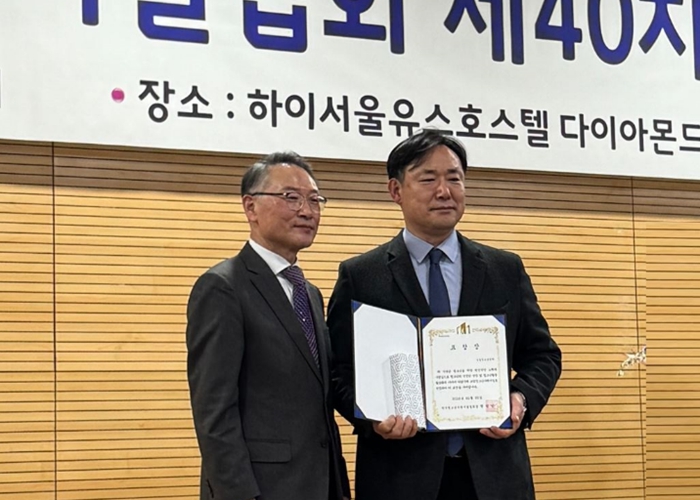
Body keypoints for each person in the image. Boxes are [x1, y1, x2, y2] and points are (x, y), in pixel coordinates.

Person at [327, 130, 562, 500]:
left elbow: (542, 355)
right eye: (428, 179)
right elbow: (338, 370)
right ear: (395, 190)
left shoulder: (504, 269)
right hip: (399, 475)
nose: (444, 191)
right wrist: (371, 418)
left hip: (495, 475)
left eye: (454, 178)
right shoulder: (361, 276)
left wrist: (520, 399)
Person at [186, 152, 351, 500]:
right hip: (261, 488)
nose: (307, 211)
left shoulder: (309, 292)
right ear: (251, 207)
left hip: (321, 484)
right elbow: (214, 413)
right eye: (291, 197)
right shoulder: (223, 287)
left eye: (314, 200)